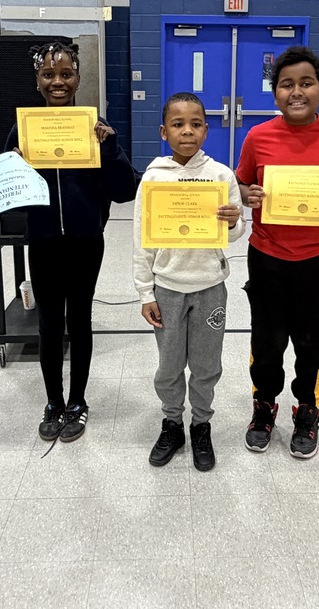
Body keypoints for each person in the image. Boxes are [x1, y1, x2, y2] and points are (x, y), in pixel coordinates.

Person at [235, 45, 319, 459]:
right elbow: (239, 186)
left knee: (313, 342)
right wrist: (248, 194)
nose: (297, 91)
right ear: (274, 93)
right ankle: (264, 406)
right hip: (268, 256)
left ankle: (307, 409)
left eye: (306, 83)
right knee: (268, 338)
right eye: (286, 84)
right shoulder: (258, 137)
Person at [5, 41, 139, 442]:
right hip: (44, 240)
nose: (58, 81)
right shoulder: (22, 130)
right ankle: (53, 402)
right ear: (38, 81)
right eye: (49, 74)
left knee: (79, 321)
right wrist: (14, 164)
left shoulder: (96, 127)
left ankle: (78, 402)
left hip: (84, 241)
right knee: (48, 324)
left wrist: (110, 148)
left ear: (79, 78)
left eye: (66, 74)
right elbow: (10, 195)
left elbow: (124, 190)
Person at [132, 93, 244, 471]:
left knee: (207, 363)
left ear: (206, 129)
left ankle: (201, 425)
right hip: (167, 288)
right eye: (178, 124)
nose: (187, 131)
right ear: (164, 131)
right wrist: (145, 291)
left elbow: (234, 233)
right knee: (168, 365)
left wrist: (232, 221)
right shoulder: (153, 176)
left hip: (210, 286)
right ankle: (171, 423)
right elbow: (141, 237)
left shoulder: (221, 175)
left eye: (196, 123)